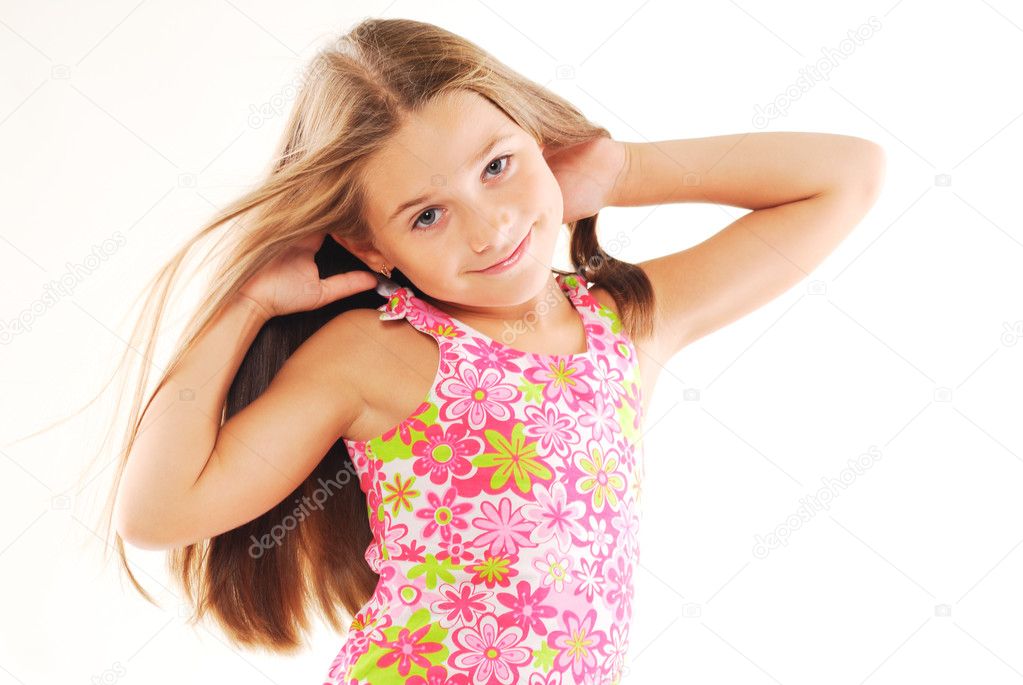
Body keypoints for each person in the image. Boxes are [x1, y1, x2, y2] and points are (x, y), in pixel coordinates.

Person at [102, 17, 885, 685]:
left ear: (536, 140)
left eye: (498, 166)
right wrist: (247, 303)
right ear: (369, 247)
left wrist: (621, 170)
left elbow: (846, 175)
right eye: (427, 215)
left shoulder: (625, 325)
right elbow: (157, 510)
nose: (489, 227)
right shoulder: (373, 354)